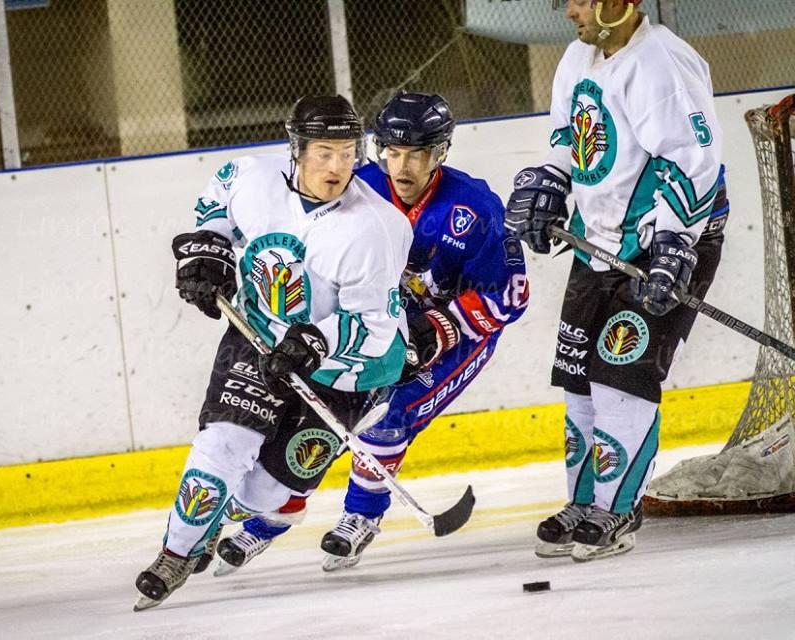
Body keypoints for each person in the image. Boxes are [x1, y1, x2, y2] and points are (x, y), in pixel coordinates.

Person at [212, 92, 529, 574]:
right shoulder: (357, 184)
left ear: (440, 152)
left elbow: (512, 296)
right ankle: (275, 514)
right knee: (325, 408)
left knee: (389, 415)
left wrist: (439, 327)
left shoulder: (476, 208)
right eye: (392, 152)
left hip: (454, 338)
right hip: (375, 326)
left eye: (417, 154)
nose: (402, 167)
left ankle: (361, 516)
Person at [133, 95, 414, 610]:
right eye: (324, 152)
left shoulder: (377, 229)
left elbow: (375, 328)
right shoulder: (250, 177)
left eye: (348, 153)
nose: (337, 166)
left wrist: (317, 340)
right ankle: (175, 555)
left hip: (345, 371)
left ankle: (224, 517)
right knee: (223, 445)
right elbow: (218, 200)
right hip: (258, 335)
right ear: (297, 149)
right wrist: (208, 247)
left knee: (264, 495)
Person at [507, 0, 728, 561]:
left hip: (664, 244)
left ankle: (618, 510)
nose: (568, 11)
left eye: (579, 0)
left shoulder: (662, 64)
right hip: (596, 242)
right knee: (579, 380)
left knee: (621, 379)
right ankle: (584, 501)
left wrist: (675, 242)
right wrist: (552, 182)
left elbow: (696, 161)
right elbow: (569, 135)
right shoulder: (579, 56)